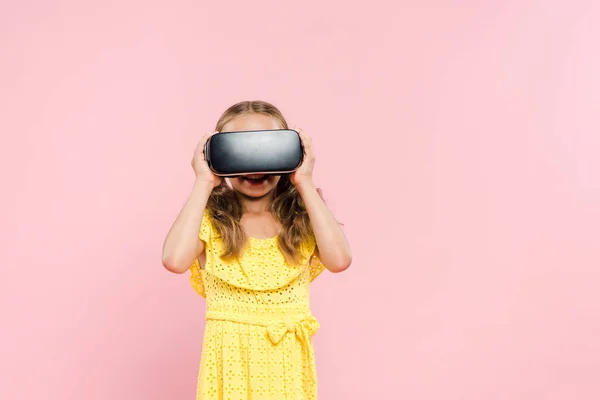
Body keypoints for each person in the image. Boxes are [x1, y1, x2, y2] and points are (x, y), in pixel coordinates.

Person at [161, 100, 352, 399]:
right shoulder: (210, 221)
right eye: (240, 151)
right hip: (230, 365)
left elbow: (339, 260)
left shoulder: (301, 218)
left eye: (266, 148)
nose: (254, 164)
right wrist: (203, 181)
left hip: (286, 368)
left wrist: (304, 180)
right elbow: (174, 260)